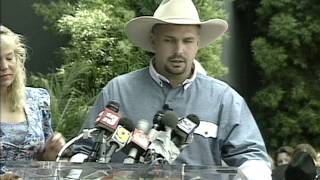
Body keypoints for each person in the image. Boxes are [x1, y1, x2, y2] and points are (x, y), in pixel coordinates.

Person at [78, 0, 271, 179]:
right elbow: (84, 150)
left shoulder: (224, 99)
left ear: (198, 44)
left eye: (187, 41)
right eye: (169, 40)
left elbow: (251, 157)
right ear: (154, 41)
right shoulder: (118, 90)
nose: (179, 50)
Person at [0, 25, 66, 162]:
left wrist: (52, 152)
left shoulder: (38, 99)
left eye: (9, 58)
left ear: (18, 59)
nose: (4, 66)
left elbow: (47, 162)